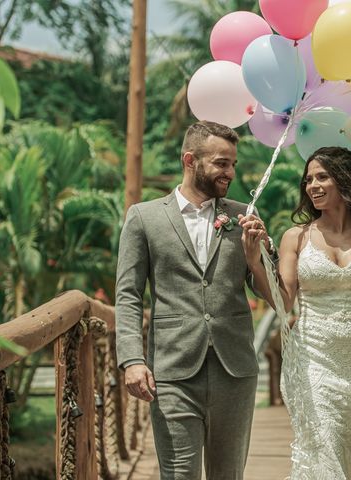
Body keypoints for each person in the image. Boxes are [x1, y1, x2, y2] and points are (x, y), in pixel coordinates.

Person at [242, 146, 351, 479]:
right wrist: (255, 261)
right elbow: (282, 298)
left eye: (322, 176)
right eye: (309, 179)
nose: (313, 185)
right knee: (324, 447)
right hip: (314, 362)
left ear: (346, 180)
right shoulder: (297, 237)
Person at [115, 120, 272, 480]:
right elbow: (127, 295)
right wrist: (132, 360)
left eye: (232, 163)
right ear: (191, 160)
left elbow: (271, 294)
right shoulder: (143, 218)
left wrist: (257, 257)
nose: (230, 172)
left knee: (227, 475)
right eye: (221, 163)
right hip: (172, 371)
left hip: (235, 369)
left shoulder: (243, 217)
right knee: (178, 474)